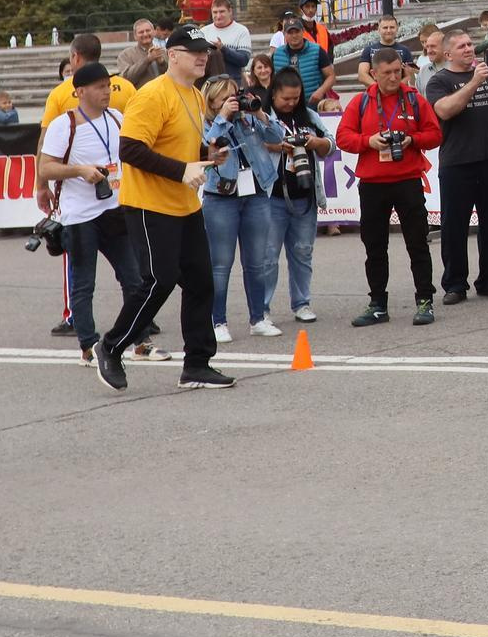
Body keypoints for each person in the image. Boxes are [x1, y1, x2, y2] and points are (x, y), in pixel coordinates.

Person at [94, 24, 235, 393]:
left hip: (184, 205)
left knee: (202, 280)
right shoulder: (153, 94)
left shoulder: (193, 94)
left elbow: (178, 148)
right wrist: (181, 170)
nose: (203, 56)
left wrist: (206, 156)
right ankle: (110, 346)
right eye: (194, 51)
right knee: (159, 280)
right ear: (173, 55)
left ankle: (198, 365)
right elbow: (130, 150)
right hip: (149, 205)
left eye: (204, 50)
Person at [39, 64, 147, 363]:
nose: (107, 92)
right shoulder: (65, 125)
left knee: (134, 278)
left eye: (108, 86)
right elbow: (45, 167)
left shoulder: (116, 117)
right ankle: (88, 345)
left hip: (114, 209)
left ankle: (138, 339)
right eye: (100, 87)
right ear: (81, 91)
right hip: (80, 215)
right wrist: (80, 171)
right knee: (84, 283)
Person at [337, 50, 443, 328]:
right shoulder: (361, 102)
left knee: (417, 244)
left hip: (407, 181)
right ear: (374, 73)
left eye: (398, 71)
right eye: (388, 73)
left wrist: (412, 140)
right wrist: (368, 141)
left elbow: (435, 135)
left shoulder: (414, 100)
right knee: (374, 247)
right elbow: (342, 137)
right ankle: (378, 304)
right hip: (372, 184)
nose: (395, 77)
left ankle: (425, 300)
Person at [200, 75, 286, 342]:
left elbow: (277, 135)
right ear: (212, 101)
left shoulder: (248, 119)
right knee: (220, 264)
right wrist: (224, 117)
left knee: (257, 262)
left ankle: (258, 318)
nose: (233, 102)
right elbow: (208, 146)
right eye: (225, 98)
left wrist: (259, 111)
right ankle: (217, 322)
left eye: (234, 96)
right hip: (221, 197)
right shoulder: (205, 123)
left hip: (256, 194)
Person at [429, 29, 488, 303]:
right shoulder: (439, 80)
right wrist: (474, 82)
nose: (468, 49)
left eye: (470, 44)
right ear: (448, 53)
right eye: (461, 46)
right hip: (457, 163)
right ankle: (455, 284)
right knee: (454, 226)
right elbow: (445, 110)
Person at [264, 67, 329, 323]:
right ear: (274, 94)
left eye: (296, 98)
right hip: (272, 197)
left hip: (305, 196)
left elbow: (331, 143)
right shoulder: (264, 118)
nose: (291, 103)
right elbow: (253, 143)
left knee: (303, 252)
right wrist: (278, 147)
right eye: (285, 98)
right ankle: (262, 310)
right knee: (267, 257)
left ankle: (302, 303)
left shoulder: (309, 116)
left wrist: (315, 143)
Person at [271, 12, 334, 108]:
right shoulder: (277, 54)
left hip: (312, 106)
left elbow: (331, 76)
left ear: (303, 31)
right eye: (290, 33)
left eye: (297, 32)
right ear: (284, 34)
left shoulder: (317, 51)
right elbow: (270, 79)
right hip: (284, 108)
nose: (294, 35)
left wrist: (320, 92)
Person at [201, 0, 254, 77]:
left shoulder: (241, 31)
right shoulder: (203, 31)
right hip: (207, 83)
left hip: (232, 82)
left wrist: (223, 49)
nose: (218, 16)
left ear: (230, 11)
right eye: (215, 12)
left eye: (222, 11)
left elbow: (243, 60)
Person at [115, 18, 167, 89]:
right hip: (141, 98)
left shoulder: (164, 51)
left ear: (154, 32)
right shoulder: (125, 55)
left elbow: (174, 77)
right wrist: (148, 60)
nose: (145, 34)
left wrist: (162, 63)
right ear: (135, 36)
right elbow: (126, 80)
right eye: (141, 32)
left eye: (148, 30)